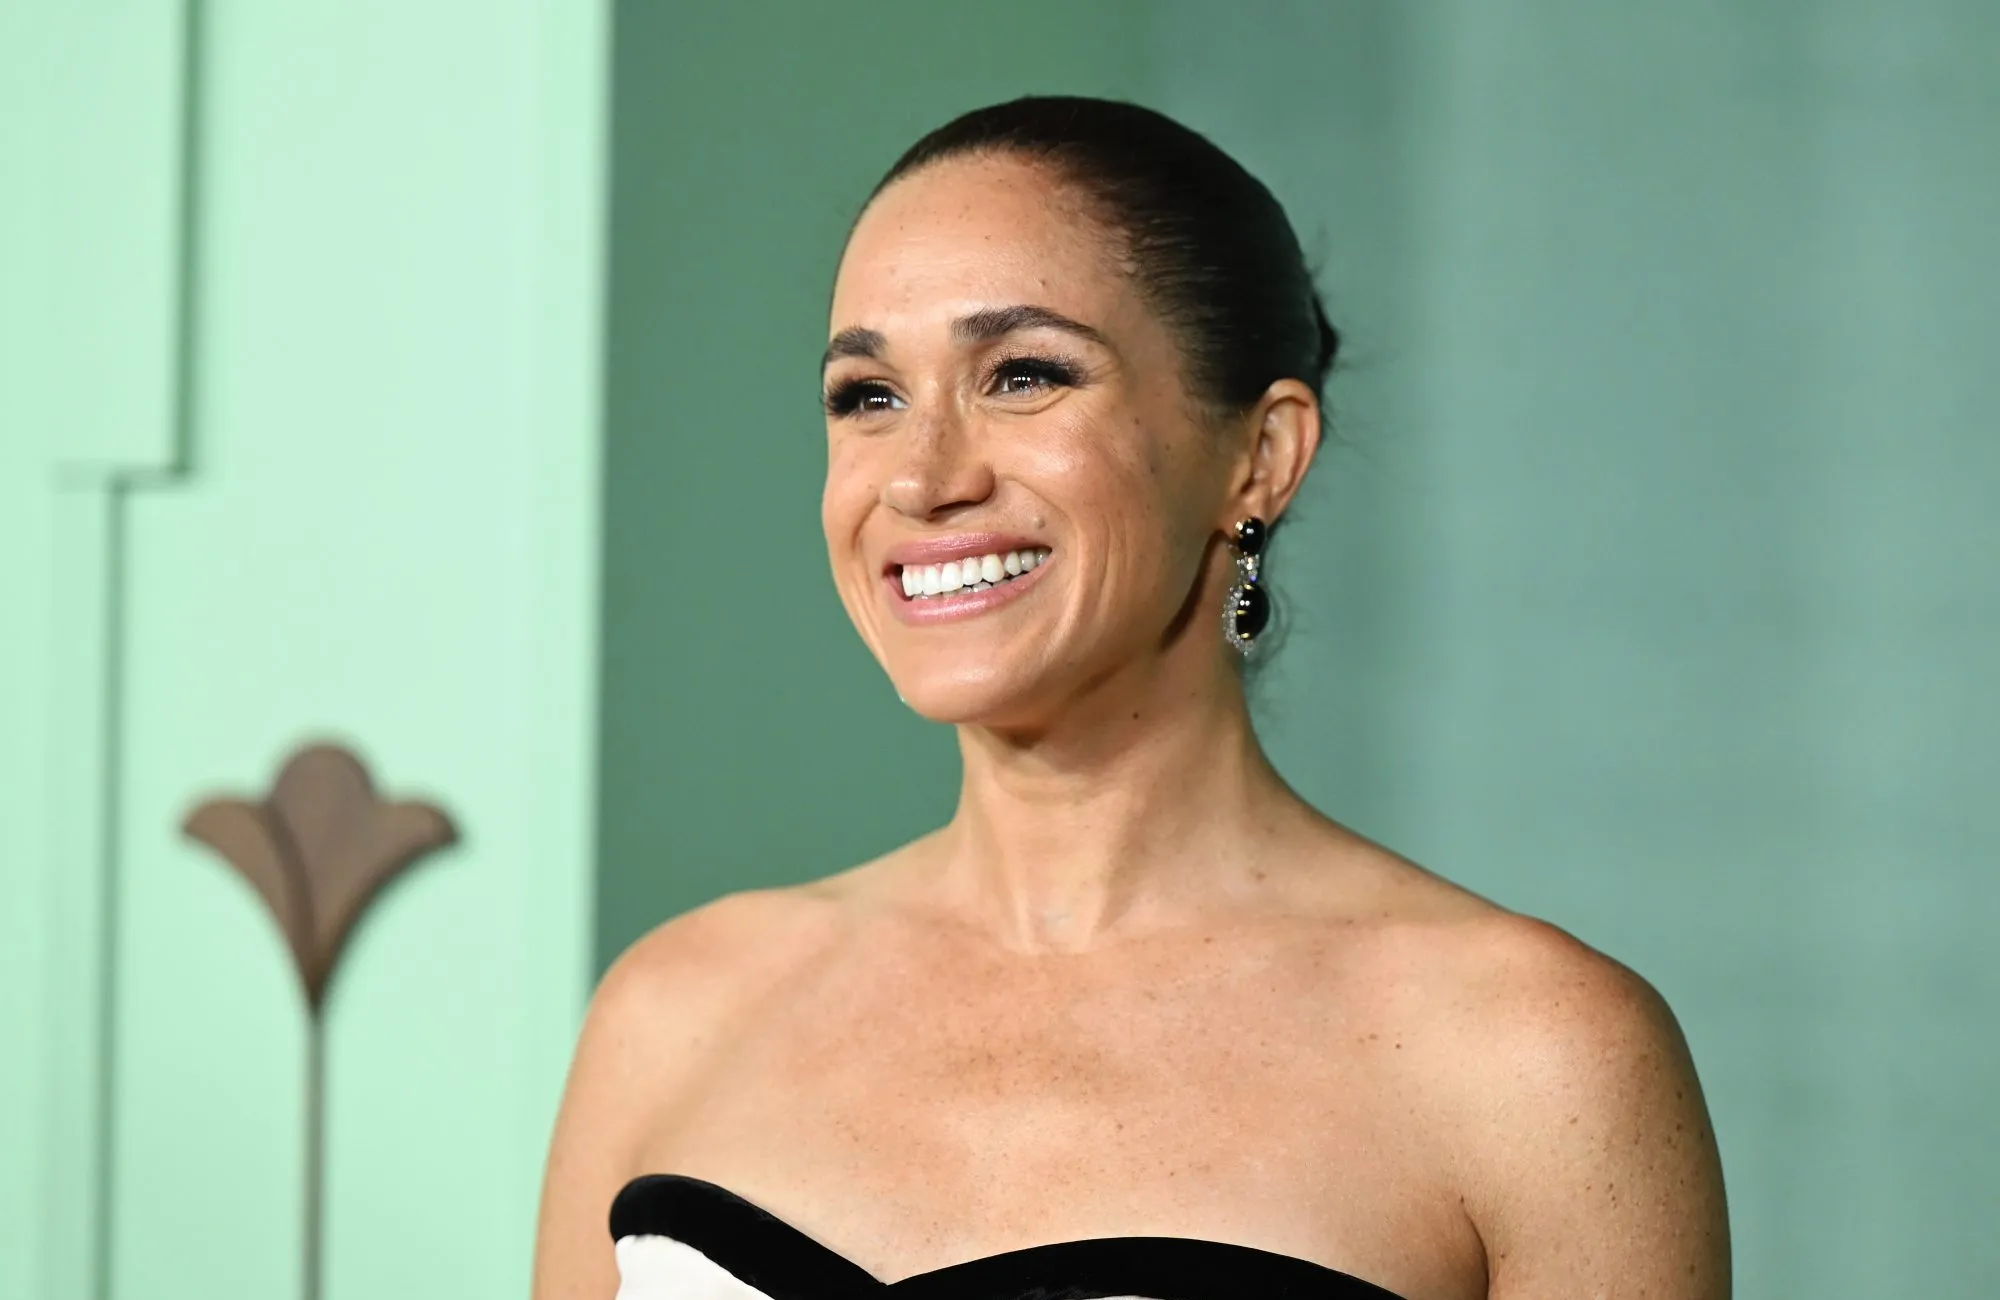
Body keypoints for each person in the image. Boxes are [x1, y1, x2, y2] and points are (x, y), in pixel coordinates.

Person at [532, 95, 1729, 1300]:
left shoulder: (1532, 1057)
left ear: (1259, 456)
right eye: (868, 395)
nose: (922, 478)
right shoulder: (676, 1010)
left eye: (1023, 375)